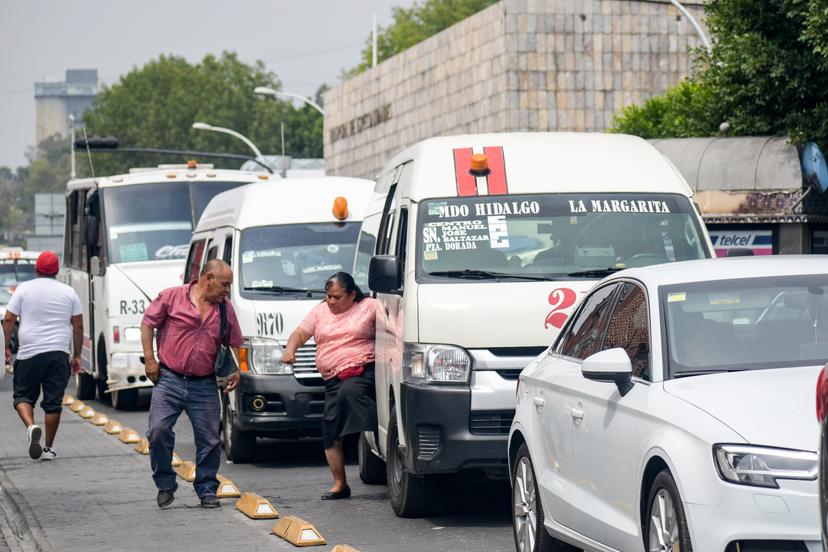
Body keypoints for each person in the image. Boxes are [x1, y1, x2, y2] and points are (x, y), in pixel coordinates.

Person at [141, 259, 242, 509]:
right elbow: (147, 323)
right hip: (169, 379)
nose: (227, 290)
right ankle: (165, 483)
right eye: (224, 284)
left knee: (210, 439)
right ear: (207, 279)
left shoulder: (225, 309)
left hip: (204, 384)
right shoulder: (172, 297)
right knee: (157, 432)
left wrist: (236, 369)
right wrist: (150, 359)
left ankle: (207, 489)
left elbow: (235, 340)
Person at [283, 272, 379, 500]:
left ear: (352, 295)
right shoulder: (320, 311)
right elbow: (299, 333)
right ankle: (340, 484)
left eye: (337, 297)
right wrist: (291, 349)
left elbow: (396, 322)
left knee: (351, 392)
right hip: (332, 378)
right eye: (329, 297)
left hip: (362, 371)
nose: (332, 302)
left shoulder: (369, 307)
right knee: (329, 432)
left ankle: (377, 434)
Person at [1, 251, 83, 461]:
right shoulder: (69, 292)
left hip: (29, 353)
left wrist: (5, 346)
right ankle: (47, 448)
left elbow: (9, 319)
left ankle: (31, 427)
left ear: (36, 269)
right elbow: (78, 327)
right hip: (58, 354)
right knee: (53, 402)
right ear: (57, 271)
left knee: (22, 397)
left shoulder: (24, 289)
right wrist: (76, 355)